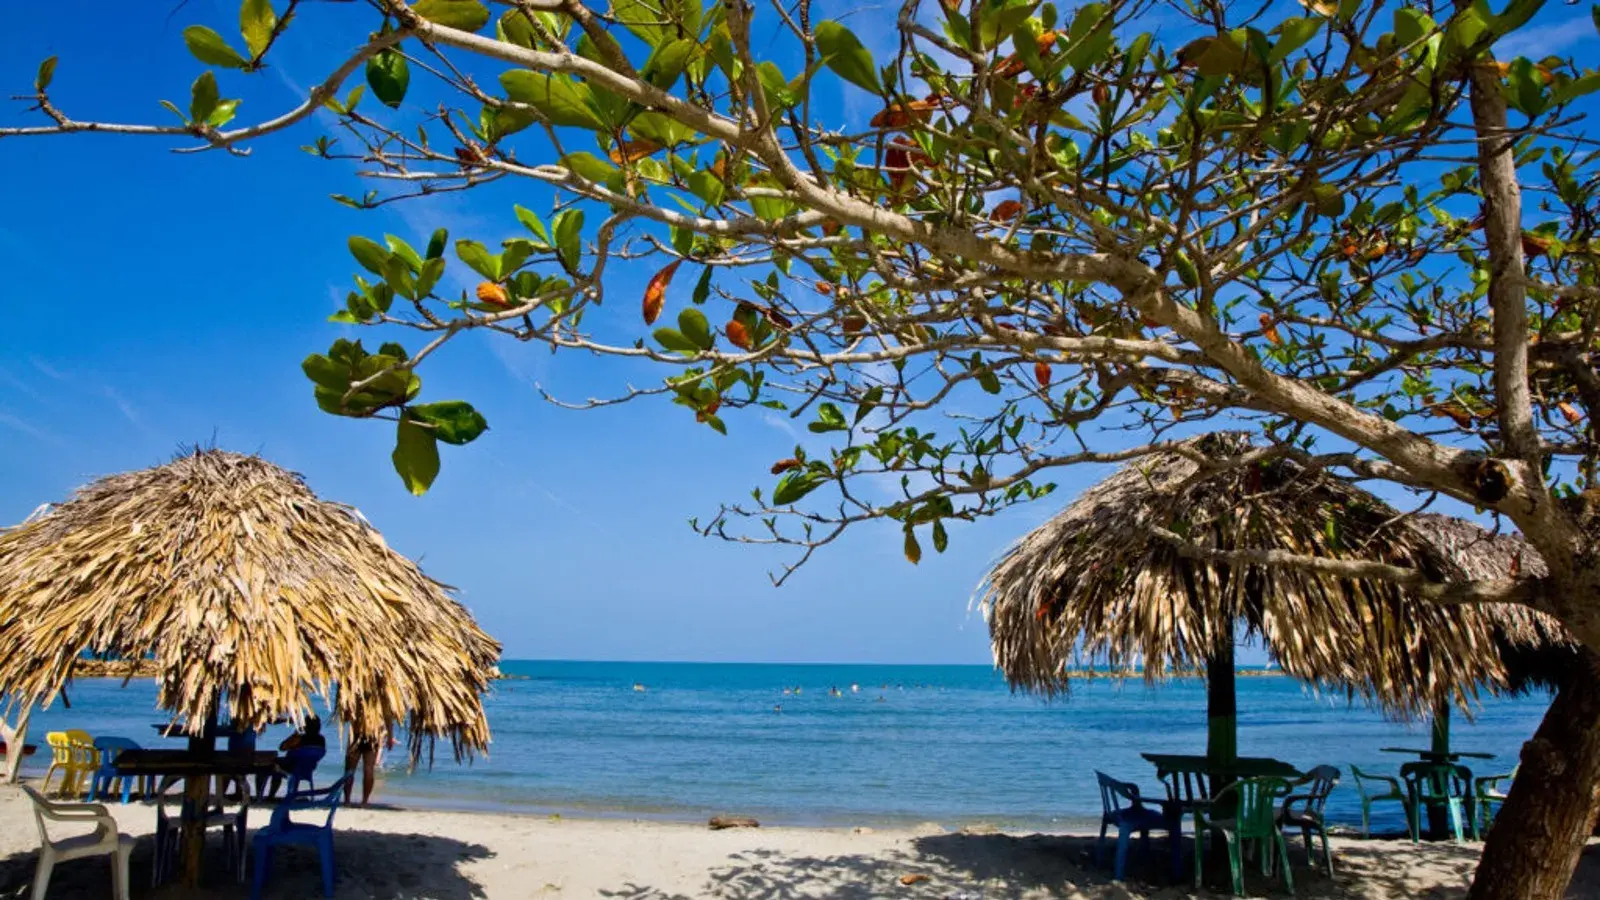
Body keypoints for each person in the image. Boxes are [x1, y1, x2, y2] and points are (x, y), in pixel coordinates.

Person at [343, 727, 396, 806]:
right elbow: (388, 720)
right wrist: (390, 736)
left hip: (356, 732)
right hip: (372, 735)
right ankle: (364, 801)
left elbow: (346, 717)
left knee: (350, 769)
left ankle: (347, 801)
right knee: (369, 769)